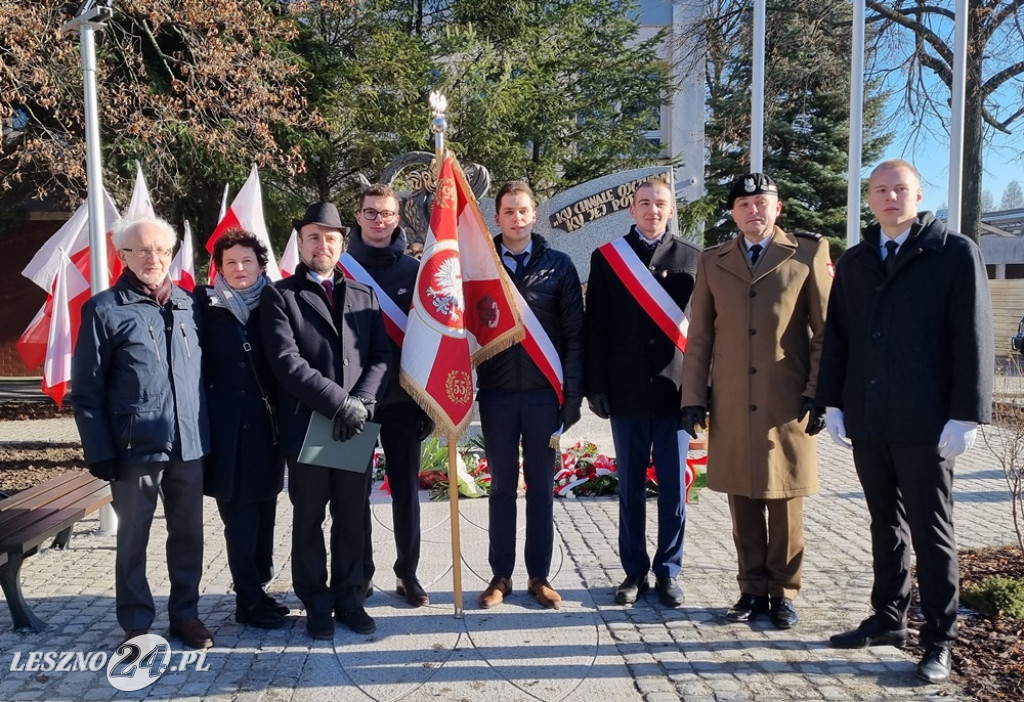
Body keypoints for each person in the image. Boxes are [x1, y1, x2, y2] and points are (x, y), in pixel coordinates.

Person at [817, 159, 993, 684]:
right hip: (870, 417)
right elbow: (840, 336)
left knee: (931, 530)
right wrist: (832, 402)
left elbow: (973, 338)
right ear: (869, 199)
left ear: (918, 195)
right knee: (884, 524)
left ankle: (939, 638)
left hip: (928, 422)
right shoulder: (856, 260)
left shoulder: (954, 253)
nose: (890, 197)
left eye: (901, 189)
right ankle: (887, 618)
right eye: (880, 190)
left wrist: (967, 414)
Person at [680, 173, 832, 630]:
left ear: (777, 208)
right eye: (744, 204)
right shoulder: (713, 260)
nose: (753, 211)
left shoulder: (806, 253)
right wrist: (693, 397)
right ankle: (750, 588)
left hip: (786, 400)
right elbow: (700, 336)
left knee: (785, 498)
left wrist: (819, 392)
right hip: (730, 399)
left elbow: (826, 330)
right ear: (733, 212)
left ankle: (783, 591)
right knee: (742, 497)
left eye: (761, 202)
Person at [70, 215, 213, 649]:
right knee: (133, 538)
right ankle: (136, 621)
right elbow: (87, 390)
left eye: (162, 250)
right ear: (123, 256)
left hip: (188, 443)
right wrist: (99, 450)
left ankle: (185, 614)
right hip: (134, 449)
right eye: (142, 250)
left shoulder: (189, 304)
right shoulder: (104, 309)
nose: (154, 258)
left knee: (188, 534)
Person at [260, 202, 390, 640]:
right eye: (313, 236)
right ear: (300, 241)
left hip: (353, 425)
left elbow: (380, 357)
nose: (322, 244)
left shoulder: (363, 295)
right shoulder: (280, 295)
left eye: (330, 237)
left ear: (342, 243)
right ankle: (315, 602)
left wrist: (365, 401)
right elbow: (286, 362)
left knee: (353, 516)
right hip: (309, 425)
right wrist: (341, 403)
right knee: (309, 518)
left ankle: (349, 599)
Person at [583, 176, 699, 607]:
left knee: (674, 490)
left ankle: (669, 571)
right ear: (631, 210)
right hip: (627, 392)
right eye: (644, 203)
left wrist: (700, 394)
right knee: (630, 488)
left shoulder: (692, 257)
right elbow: (596, 326)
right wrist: (596, 386)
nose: (652, 210)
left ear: (671, 209)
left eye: (660, 203)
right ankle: (634, 571)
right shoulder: (609, 257)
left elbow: (704, 334)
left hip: (676, 393)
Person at [476, 181, 584, 609]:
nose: (516, 218)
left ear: (534, 215)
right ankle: (500, 576)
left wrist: (572, 397)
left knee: (541, 488)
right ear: (497, 217)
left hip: (544, 396)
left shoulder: (559, 266)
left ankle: (539, 576)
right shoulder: (482, 266)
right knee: (502, 487)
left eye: (523, 211)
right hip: (498, 394)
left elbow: (575, 335)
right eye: (508, 212)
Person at [345, 183, 434, 607]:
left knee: (405, 492)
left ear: (398, 217)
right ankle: (359, 574)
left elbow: (430, 337)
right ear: (358, 217)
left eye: (386, 213)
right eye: (371, 213)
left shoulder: (416, 271)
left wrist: (429, 403)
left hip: (401, 401)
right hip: (349, 403)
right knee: (351, 493)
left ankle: (408, 574)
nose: (379, 221)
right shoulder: (338, 268)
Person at [196, 228, 288, 629]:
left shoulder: (275, 300)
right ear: (219, 266)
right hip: (225, 431)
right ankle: (246, 601)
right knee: (239, 518)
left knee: (265, 510)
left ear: (260, 264)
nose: (238, 268)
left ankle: (259, 589)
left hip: (267, 429)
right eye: (230, 262)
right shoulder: (202, 304)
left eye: (246, 261)